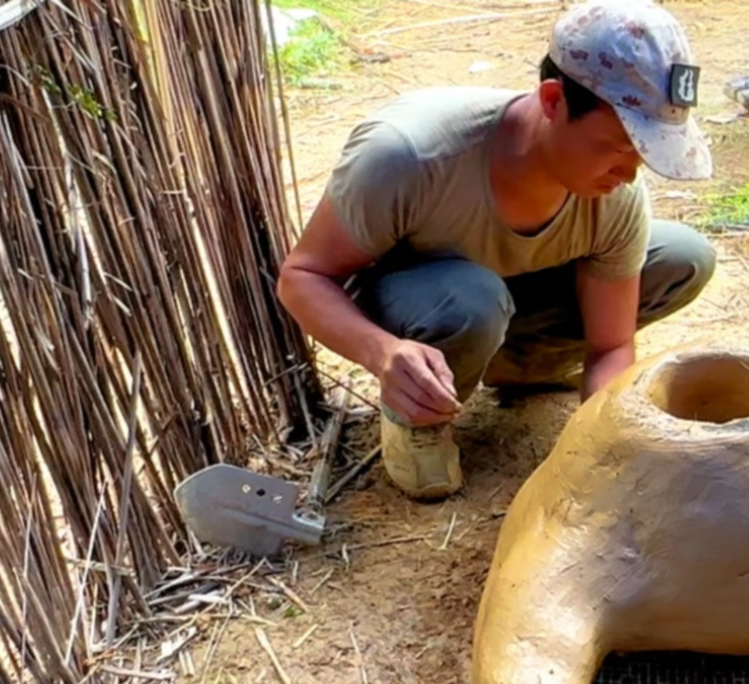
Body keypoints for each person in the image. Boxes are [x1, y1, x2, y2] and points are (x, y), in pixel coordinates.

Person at [276, 0, 718, 501]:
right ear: (554, 101)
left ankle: (521, 368)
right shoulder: (409, 155)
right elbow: (303, 276)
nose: (631, 174)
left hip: (504, 306)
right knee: (472, 301)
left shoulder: (617, 193)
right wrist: (384, 354)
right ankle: (418, 415)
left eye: (647, 155)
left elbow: (611, 347)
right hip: (426, 309)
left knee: (682, 257)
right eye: (620, 148)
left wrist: (600, 445)